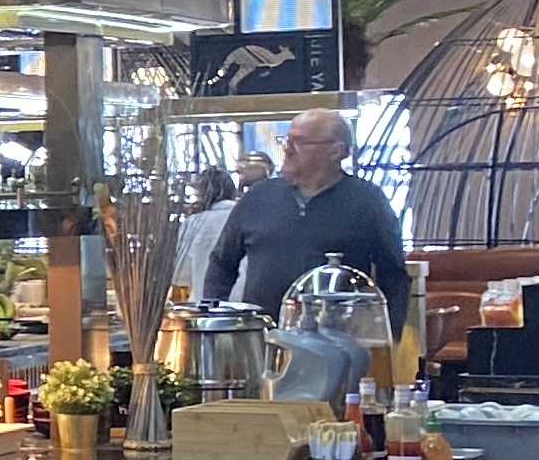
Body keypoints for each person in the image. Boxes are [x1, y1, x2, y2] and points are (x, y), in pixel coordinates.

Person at [205, 112, 411, 337]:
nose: (288, 149)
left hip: (339, 343)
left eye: (300, 142)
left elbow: (393, 276)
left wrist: (389, 335)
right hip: (262, 340)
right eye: (287, 140)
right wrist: (216, 325)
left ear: (336, 151)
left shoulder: (367, 201)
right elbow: (221, 264)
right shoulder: (258, 197)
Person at [170, 165, 238, 305]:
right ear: (233, 191)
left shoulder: (194, 223)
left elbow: (180, 275)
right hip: (242, 307)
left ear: (201, 194)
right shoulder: (245, 218)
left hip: (203, 306)